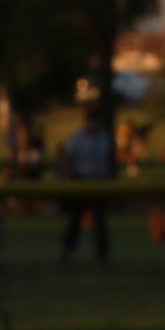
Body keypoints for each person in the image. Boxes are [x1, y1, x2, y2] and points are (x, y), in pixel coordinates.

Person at [56, 93, 116, 260]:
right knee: (76, 218)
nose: (93, 124)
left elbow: (108, 160)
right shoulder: (78, 137)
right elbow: (66, 156)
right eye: (91, 120)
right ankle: (67, 250)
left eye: (95, 121)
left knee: (100, 220)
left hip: (99, 182)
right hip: (81, 180)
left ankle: (102, 254)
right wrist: (69, 175)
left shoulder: (104, 137)